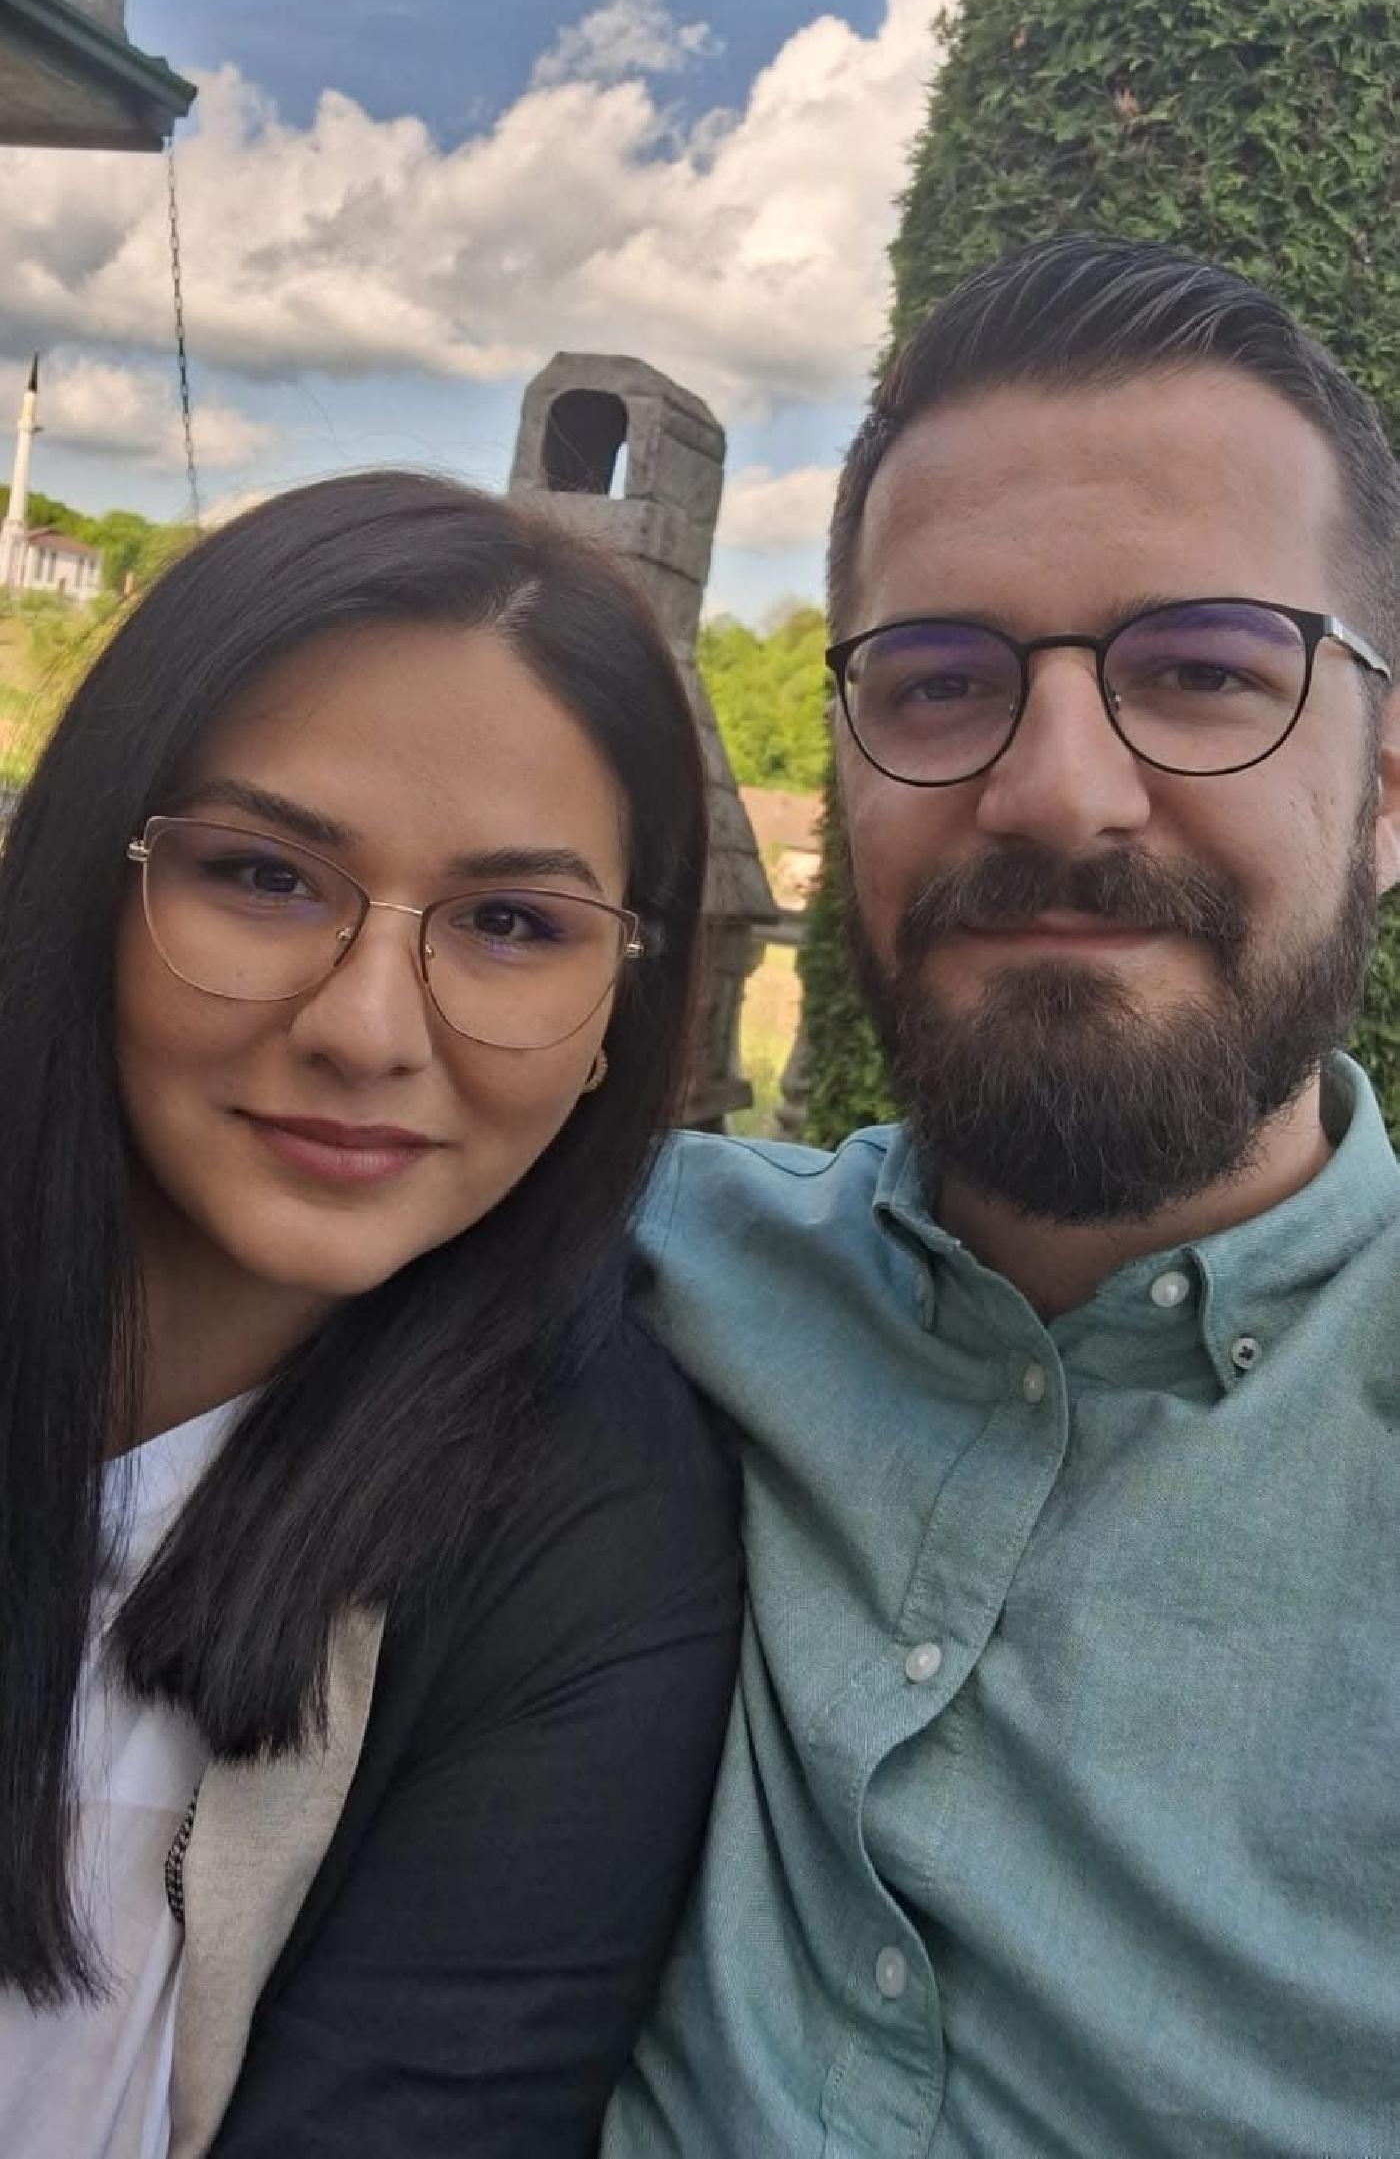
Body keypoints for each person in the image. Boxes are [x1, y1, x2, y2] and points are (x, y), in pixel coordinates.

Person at [604, 236, 1400, 2158]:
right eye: (942, 680)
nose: (1056, 793)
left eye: (1203, 672)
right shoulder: (630, 1262)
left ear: (1388, 791)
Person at [0, 471, 741, 2159]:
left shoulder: (589, 1549)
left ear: (618, 1010)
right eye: (265, 875)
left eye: (510, 923)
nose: (365, 1028)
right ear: (100, 879)